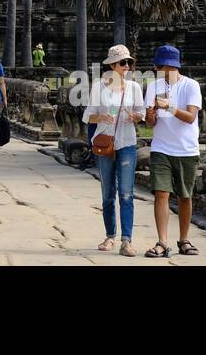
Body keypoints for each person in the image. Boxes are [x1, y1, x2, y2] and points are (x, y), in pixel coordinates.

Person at [83, 44, 144, 256]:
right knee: (108, 194)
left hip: (127, 143)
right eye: (122, 62)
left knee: (126, 194)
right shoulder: (99, 87)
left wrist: (136, 116)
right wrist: (101, 117)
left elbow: (142, 113)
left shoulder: (134, 88)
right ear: (112, 65)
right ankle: (110, 235)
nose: (126, 66)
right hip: (105, 143)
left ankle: (126, 240)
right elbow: (87, 116)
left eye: (129, 62)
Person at [144, 44, 203, 258]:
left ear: (172, 67)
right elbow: (150, 123)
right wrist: (151, 112)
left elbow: (190, 118)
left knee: (185, 196)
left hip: (186, 149)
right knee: (161, 193)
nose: (159, 70)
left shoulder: (191, 86)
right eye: (157, 66)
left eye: (162, 66)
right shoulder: (153, 87)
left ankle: (184, 239)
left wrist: (168, 106)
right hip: (161, 148)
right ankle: (162, 241)